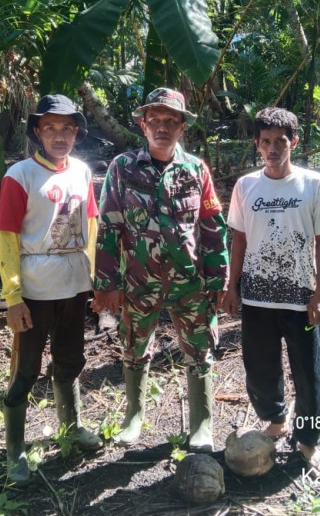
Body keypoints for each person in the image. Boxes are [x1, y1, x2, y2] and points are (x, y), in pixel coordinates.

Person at [92, 88, 229, 453]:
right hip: (139, 280)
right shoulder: (121, 168)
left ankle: (201, 423)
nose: (162, 127)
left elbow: (212, 224)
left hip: (191, 282)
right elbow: (108, 226)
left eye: (171, 120)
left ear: (183, 127)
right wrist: (107, 284)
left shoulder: (196, 169)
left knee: (200, 349)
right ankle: (134, 415)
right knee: (134, 347)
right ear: (142, 124)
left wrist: (219, 277)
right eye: (155, 120)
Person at [221, 107, 320, 474]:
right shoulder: (246, 186)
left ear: (294, 142)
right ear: (257, 145)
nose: (273, 148)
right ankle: (275, 419)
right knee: (259, 365)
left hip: (300, 299)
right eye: (266, 142)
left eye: (280, 141)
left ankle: (307, 440)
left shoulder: (314, 185)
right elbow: (239, 240)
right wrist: (231, 286)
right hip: (257, 297)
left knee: (308, 371)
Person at [0, 94, 102, 484]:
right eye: (51, 128)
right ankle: (15, 452)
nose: (60, 136)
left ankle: (70, 429)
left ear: (77, 132)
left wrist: (93, 281)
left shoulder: (83, 172)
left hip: (74, 283)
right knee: (26, 371)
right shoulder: (20, 175)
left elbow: (90, 227)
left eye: (68, 128)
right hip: (35, 288)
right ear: (38, 132)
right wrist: (12, 296)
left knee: (70, 361)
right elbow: (6, 236)